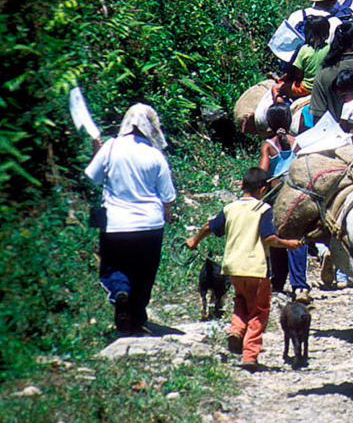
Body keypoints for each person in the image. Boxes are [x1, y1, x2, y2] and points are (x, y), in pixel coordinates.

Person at [185, 168, 302, 370]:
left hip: (233, 268)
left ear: (241, 185)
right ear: (263, 189)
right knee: (259, 310)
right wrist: (288, 244)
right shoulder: (263, 209)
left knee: (241, 301)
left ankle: (236, 330)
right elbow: (270, 239)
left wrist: (194, 240)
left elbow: (209, 226)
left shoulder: (230, 208)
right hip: (256, 269)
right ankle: (250, 354)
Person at [86, 104, 176, 334]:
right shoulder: (156, 155)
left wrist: (97, 152)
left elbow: (93, 178)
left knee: (114, 265)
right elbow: (168, 196)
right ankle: (136, 318)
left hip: (115, 224)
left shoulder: (110, 148)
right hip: (150, 225)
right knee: (144, 272)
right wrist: (167, 213)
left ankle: (119, 293)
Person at [258, 104, 311, 304]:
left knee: (277, 237)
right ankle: (300, 287)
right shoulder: (299, 143)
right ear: (289, 122)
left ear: (269, 123)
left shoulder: (268, 146)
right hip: (297, 196)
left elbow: (263, 173)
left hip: (276, 197)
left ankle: (277, 282)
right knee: (297, 237)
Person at [272, 14, 331, 102]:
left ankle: (281, 111)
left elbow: (298, 75)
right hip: (325, 86)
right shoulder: (331, 48)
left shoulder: (304, 49)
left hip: (307, 88)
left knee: (276, 89)